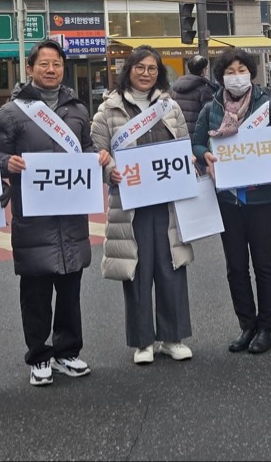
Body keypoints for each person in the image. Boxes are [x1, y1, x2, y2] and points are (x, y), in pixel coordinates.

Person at [0, 39, 112, 388]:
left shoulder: (77, 109)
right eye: (43, 64)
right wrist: (6, 162)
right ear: (30, 68)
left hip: (71, 215)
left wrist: (99, 157)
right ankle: (39, 356)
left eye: (57, 64)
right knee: (36, 291)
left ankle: (68, 351)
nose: (50, 70)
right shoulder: (11, 112)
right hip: (34, 216)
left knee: (70, 287)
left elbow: (86, 147)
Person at [92, 47, 195, 365]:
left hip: (166, 203)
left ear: (159, 72)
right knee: (136, 269)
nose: (146, 73)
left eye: (152, 68)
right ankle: (142, 342)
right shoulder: (108, 110)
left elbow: (184, 145)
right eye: (140, 67)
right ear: (129, 69)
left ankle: (172, 337)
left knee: (171, 267)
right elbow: (97, 153)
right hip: (129, 204)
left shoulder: (170, 107)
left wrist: (187, 161)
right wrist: (110, 169)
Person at [192, 50, 271, 355]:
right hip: (227, 198)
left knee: (264, 263)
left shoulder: (268, 107)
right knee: (235, 266)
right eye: (230, 70)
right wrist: (201, 152)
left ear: (251, 73)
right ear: (221, 76)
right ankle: (247, 325)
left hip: (261, 198)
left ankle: (266, 328)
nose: (236, 75)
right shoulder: (211, 108)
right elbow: (195, 141)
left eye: (242, 69)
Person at [171, 54, 216, 135]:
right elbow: (211, 116)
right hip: (198, 135)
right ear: (203, 70)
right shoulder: (205, 89)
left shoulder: (175, 89)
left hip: (180, 134)